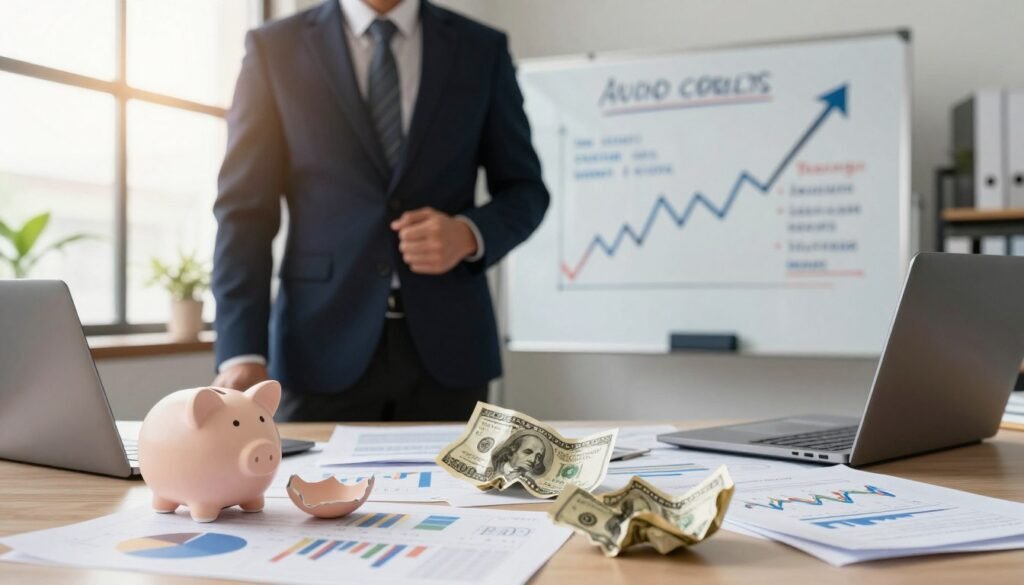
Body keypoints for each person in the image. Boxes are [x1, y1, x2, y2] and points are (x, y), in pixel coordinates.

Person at [210, 0, 549, 422]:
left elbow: (526, 191)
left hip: (451, 350)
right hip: (317, 348)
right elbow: (244, 214)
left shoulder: (481, 49)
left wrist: (469, 233)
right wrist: (242, 350)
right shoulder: (274, 48)